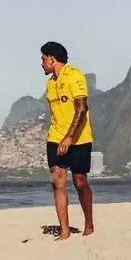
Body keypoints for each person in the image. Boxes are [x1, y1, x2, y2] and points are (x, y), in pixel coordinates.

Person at [40, 41, 94, 240]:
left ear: (52, 59)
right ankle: (64, 231)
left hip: (79, 137)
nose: (42, 63)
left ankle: (89, 223)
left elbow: (82, 108)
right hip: (55, 136)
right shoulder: (50, 84)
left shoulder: (75, 75)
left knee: (80, 181)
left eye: (43, 59)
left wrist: (69, 136)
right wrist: (60, 137)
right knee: (57, 181)